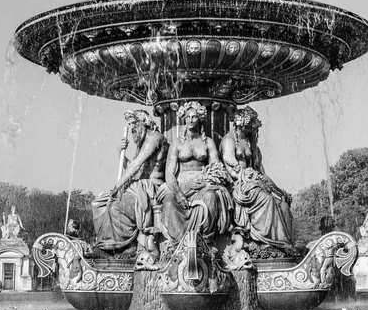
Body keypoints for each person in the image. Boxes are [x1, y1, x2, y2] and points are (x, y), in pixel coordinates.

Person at [92, 110, 168, 252]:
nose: (131, 127)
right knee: (99, 204)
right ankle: (107, 244)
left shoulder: (155, 138)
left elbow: (137, 165)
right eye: (129, 124)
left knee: (116, 207)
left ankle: (126, 246)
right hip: (138, 185)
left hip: (150, 187)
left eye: (134, 123)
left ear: (144, 123)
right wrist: (121, 154)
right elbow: (134, 169)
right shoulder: (141, 144)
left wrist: (118, 185)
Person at [159, 101, 232, 244]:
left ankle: (205, 241)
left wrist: (204, 182)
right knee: (168, 203)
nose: (190, 120)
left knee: (211, 196)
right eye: (188, 117)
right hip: (181, 186)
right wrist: (179, 193)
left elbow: (217, 169)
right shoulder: (177, 143)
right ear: (183, 119)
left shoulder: (208, 142)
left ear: (200, 119)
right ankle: (180, 244)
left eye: (194, 117)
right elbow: (169, 173)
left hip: (203, 185)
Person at [219, 107, 293, 249]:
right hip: (238, 183)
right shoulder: (229, 140)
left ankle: (282, 244)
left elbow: (262, 173)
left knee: (281, 202)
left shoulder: (251, 145)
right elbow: (230, 165)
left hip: (254, 182)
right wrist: (246, 177)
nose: (254, 129)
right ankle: (266, 240)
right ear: (242, 123)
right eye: (252, 125)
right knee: (267, 199)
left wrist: (279, 190)